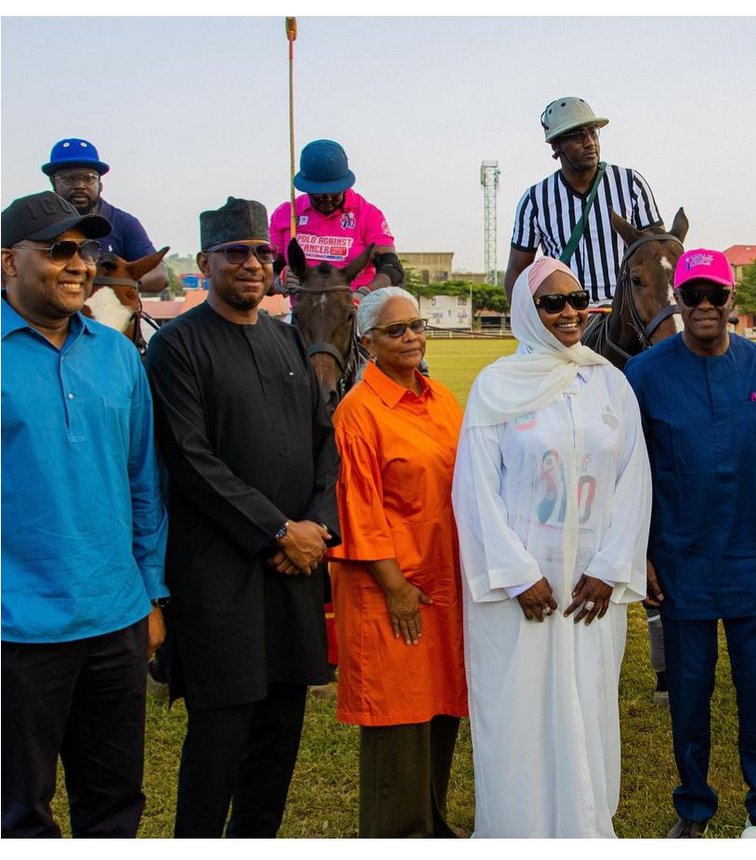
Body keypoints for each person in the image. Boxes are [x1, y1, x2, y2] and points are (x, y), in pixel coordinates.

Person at [145, 197, 340, 838]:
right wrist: (278, 531)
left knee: (279, 735)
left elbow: (323, 449)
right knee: (221, 736)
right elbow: (191, 460)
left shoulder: (286, 338)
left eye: (262, 252)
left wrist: (315, 527)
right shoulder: (176, 347)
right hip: (220, 576)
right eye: (237, 253)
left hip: (293, 574)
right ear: (205, 262)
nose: (253, 264)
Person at [452, 257, 650, 837]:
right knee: (518, 714)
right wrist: (516, 574)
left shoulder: (610, 382)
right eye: (553, 303)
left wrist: (611, 568)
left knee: (588, 707)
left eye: (578, 299)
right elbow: (476, 489)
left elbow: (634, 480)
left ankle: (586, 829)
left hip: (591, 587)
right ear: (527, 312)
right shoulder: (496, 386)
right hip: (521, 593)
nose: (570, 313)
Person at [1, 191, 168, 837]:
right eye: (58, 250)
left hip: (115, 621)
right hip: (17, 630)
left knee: (115, 804)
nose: (79, 265)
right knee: (21, 814)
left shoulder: (118, 355)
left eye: (87, 250)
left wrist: (150, 592)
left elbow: (143, 482)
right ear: (7, 263)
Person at [625, 248, 756, 838]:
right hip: (681, 558)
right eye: (691, 295)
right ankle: (693, 806)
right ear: (676, 300)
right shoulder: (645, 374)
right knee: (689, 695)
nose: (704, 306)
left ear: (733, 300)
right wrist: (643, 553)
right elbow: (632, 472)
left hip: (754, 556)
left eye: (715, 295)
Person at [326, 287, 468, 838]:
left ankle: (433, 825)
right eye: (395, 330)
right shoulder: (358, 414)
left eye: (416, 325)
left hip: (444, 584)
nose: (411, 336)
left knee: (440, 711)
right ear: (367, 343)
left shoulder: (440, 398)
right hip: (393, 591)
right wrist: (396, 587)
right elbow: (357, 511)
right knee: (398, 722)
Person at [505, 97, 663, 307]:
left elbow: (661, 251)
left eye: (592, 132)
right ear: (556, 145)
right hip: (567, 314)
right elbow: (516, 273)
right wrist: (530, 322)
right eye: (578, 136)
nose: (590, 142)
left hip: (626, 314)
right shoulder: (535, 200)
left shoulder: (630, 183)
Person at [270, 139, 402, 299]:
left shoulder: (369, 215)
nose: (326, 199)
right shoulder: (286, 214)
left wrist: (364, 293)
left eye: (334, 193)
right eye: (317, 195)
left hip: (354, 308)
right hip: (304, 311)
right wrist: (278, 282)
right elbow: (264, 271)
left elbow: (392, 268)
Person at [41, 137, 168, 294]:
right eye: (68, 179)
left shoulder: (123, 223)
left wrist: (106, 287)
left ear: (100, 184)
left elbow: (159, 276)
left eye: (88, 178)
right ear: (53, 183)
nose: (79, 185)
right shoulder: (38, 223)